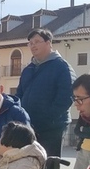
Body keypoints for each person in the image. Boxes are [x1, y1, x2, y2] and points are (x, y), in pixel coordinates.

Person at [17, 29, 75, 157]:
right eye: (30, 43)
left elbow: (66, 97)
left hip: (52, 128)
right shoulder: (28, 69)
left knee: (50, 166)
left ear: (49, 43)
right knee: (30, 164)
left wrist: (48, 119)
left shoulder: (61, 66)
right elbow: (19, 94)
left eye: (37, 42)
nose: (33, 45)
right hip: (28, 126)